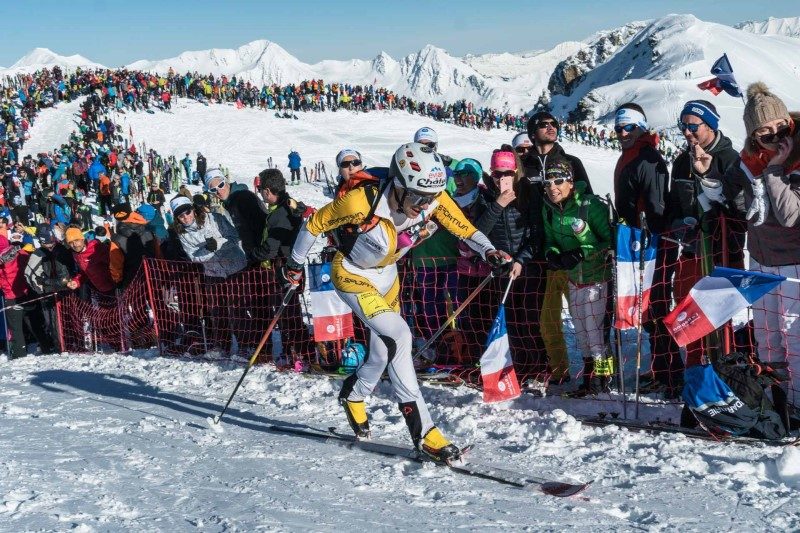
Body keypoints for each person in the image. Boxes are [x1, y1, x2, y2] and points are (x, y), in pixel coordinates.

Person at [286, 142, 509, 462]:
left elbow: (465, 229)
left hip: (388, 277)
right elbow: (314, 225)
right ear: (400, 185)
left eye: (430, 197)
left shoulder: (430, 196)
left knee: (381, 352)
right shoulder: (360, 201)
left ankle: (354, 394)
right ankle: (425, 432)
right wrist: (293, 265)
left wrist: (489, 251)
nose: (425, 206)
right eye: (417, 196)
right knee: (401, 336)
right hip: (352, 275)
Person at [695, 82, 800, 405]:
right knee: (767, 337)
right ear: (753, 134)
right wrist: (708, 171)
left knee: (795, 338)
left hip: (795, 262)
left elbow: (789, 215)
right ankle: (775, 399)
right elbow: (731, 198)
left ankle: (797, 404)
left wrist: (774, 169)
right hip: (760, 258)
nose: (775, 135)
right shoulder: (748, 160)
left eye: (781, 126)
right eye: (764, 130)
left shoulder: (794, 157)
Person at [613, 102, 682, 398]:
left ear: (640, 126)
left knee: (656, 307)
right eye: (618, 128)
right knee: (650, 308)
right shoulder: (632, 154)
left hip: (650, 245)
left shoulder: (646, 157)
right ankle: (660, 369)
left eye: (628, 126)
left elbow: (656, 206)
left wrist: (649, 241)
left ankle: (671, 374)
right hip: (638, 243)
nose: (622, 132)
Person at [669, 100, 742, 367]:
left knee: (720, 316)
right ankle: (696, 368)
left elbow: (739, 209)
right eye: (682, 126)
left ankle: (727, 368)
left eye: (692, 126)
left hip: (723, 252)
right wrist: (680, 223)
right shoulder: (680, 162)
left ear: (710, 126)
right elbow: (673, 205)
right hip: (690, 250)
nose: (687, 132)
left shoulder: (730, 159)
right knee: (689, 311)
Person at [523, 111, 594, 383]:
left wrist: (583, 243)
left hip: (574, 253)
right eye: (544, 124)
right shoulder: (524, 165)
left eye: (554, 124)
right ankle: (557, 370)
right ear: (532, 131)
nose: (551, 128)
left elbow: (586, 200)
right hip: (538, 253)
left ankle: (595, 372)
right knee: (546, 320)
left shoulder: (571, 162)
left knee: (585, 318)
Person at [474, 149, 548, 385]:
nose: (501, 177)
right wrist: (498, 204)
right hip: (502, 267)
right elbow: (478, 233)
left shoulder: (528, 193)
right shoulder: (485, 197)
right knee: (511, 321)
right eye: (497, 173)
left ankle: (539, 369)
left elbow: (537, 234)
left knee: (530, 320)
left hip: (529, 266)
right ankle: (519, 368)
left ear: (515, 171)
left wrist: (521, 259)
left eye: (507, 172)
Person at [542, 159, 613, 395]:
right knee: (581, 331)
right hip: (574, 278)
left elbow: (610, 241)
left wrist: (583, 251)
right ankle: (589, 378)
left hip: (597, 277)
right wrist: (553, 255)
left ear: (571, 183)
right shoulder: (549, 209)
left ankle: (604, 378)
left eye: (559, 181)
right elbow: (550, 241)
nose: (553, 187)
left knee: (595, 334)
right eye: (548, 182)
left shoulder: (590, 205)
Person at [251, 168, 314, 362]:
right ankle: (291, 350)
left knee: (288, 313)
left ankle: (304, 352)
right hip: (286, 265)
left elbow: (271, 247)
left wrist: (253, 255)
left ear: (268, 191)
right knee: (287, 311)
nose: (261, 194)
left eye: (262, 190)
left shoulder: (281, 213)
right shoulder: (286, 204)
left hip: (283, 267)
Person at [170, 195, 247, 353]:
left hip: (234, 267)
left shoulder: (214, 219)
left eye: (188, 212)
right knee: (218, 312)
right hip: (213, 273)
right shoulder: (183, 234)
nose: (186, 217)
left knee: (237, 310)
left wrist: (217, 243)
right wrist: (208, 249)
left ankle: (246, 345)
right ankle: (222, 346)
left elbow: (234, 236)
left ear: (193, 209)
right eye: (181, 215)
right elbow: (193, 256)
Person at [0, 233, 52, 358]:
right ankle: (46, 346)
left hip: (11, 295)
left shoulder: (2, 259)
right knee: (35, 322)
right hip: (29, 292)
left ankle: (19, 353)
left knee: (15, 327)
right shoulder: (23, 253)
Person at [24, 224, 74, 353]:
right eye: (46, 243)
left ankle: (70, 343)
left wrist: (53, 282)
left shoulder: (62, 249)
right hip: (48, 292)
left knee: (67, 317)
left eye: (51, 241)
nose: (49, 245)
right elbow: (29, 274)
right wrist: (41, 287)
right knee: (52, 320)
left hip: (65, 290)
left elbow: (68, 272)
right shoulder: (39, 253)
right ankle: (59, 346)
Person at [204, 169, 266, 261]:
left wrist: (257, 255)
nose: (219, 191)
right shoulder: (230, 202)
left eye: (221, 185)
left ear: (226, 181)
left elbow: (261, 226)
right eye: (213, 189)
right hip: (252, 254)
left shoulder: (243, 198)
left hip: (261, 255)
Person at [109, 202, 158, 288]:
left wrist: (118, 281)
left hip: (132, 280)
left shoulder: (116, 240)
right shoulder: (149, 232)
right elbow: (158, 254)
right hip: (153, 275)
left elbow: (116, 264)